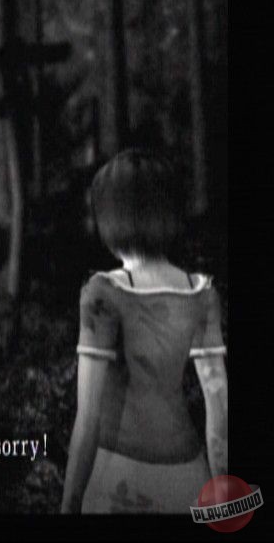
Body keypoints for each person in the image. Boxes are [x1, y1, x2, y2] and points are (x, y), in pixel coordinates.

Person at [60, 148, 228, 514]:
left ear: (110, 216)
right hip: (188, 478)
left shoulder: (102, 294)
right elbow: (219, 417)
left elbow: (87, 420)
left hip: (117, 479)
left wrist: (69, 503)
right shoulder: (202, 292)